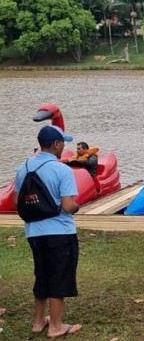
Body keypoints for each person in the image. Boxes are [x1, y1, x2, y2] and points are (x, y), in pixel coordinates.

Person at [13, 125, 82, 337]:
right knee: (59, 276)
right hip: (59, 231)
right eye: (63, 143)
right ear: (56, 144)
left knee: (41, 274)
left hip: (34, 232)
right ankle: (56, 326)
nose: (64, 146)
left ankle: (38, 321)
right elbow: (68, 205)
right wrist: (77, 207)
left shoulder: (23, 167)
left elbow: (17, 202)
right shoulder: (62, 170)